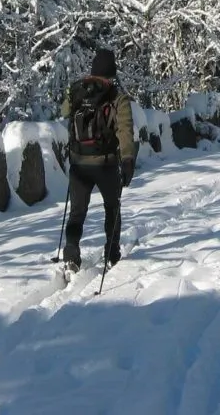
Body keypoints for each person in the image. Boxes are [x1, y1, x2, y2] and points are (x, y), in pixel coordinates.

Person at [61, 48, 135, 272]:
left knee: (77, 212)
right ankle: (112, 252)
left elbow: (65, 112)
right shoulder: (117, 98)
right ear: (112, 72)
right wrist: (128, 160)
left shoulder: (76, 90)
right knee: (112, 207)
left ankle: (71, 253)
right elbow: (125, 131)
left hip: (78, 163)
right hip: (106, 163)